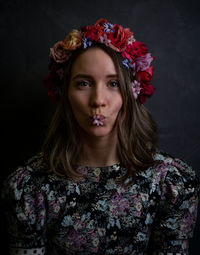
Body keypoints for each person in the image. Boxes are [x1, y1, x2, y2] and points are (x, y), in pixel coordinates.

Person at [1, 18, 200, 255]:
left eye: (113, 83)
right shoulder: (29, 187)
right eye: (84, 83)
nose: (98, 100)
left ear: (131, 92)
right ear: (65, 93)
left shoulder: (171, 184)